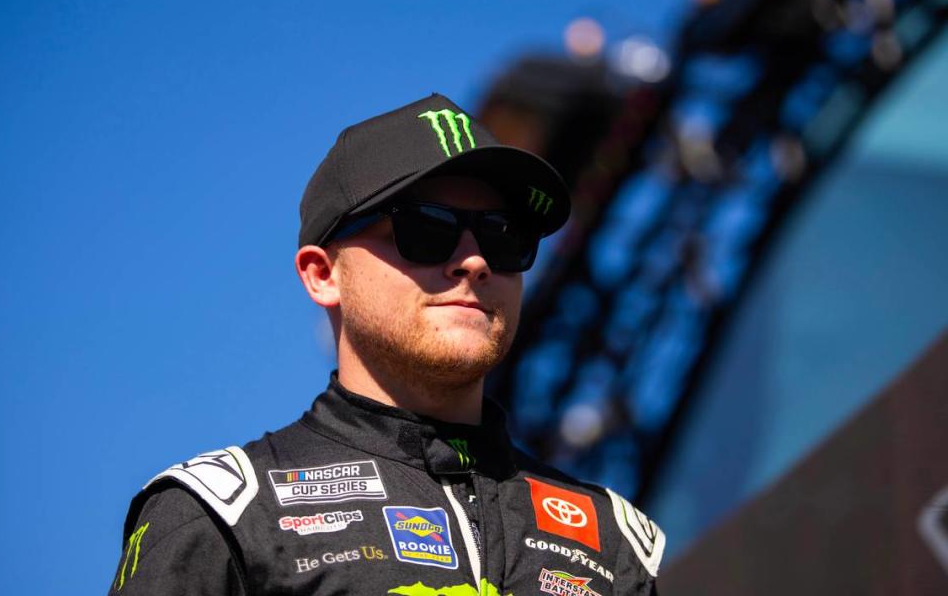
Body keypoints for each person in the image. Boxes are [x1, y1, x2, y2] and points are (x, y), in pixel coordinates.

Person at [108, 93, 665, 595]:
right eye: (425, 228)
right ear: (323, 275)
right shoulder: (223, 514)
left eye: (504, 237)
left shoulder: (617, 545)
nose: (473, 260)